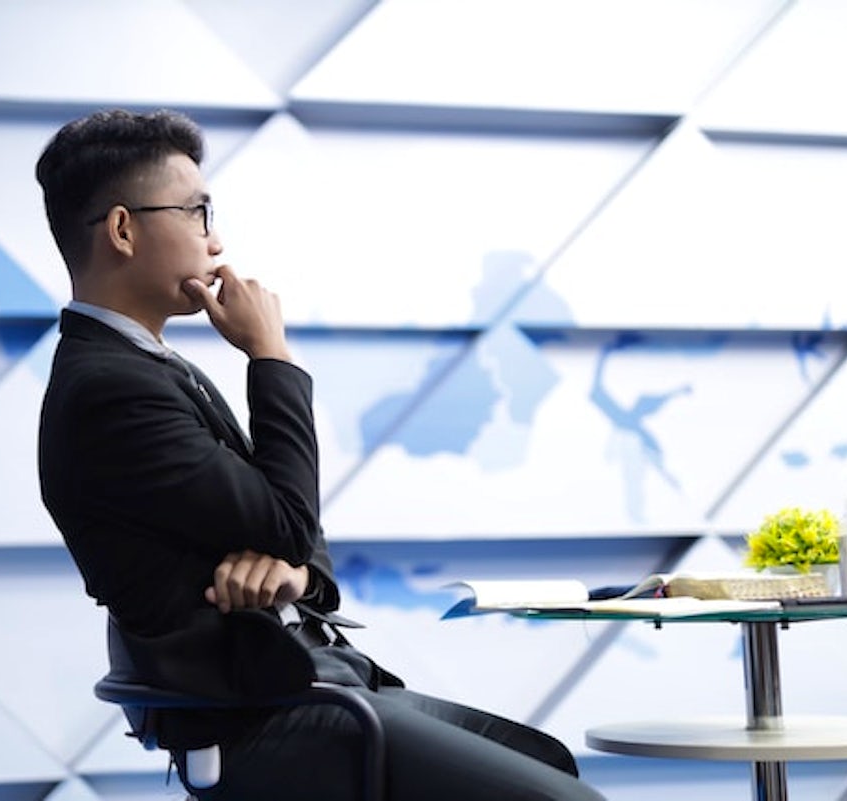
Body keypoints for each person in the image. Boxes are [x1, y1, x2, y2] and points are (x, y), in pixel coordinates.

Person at [35, 108, 605, 801]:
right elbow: (289, 518)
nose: (216, 239)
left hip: (310, 685)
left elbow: (298, 534)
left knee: (549, 762)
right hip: (260, 716)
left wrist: (296, 574)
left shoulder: (148, 369)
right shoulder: (111, 390)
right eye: (197, 212)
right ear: (124, 230)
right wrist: (270, 354)